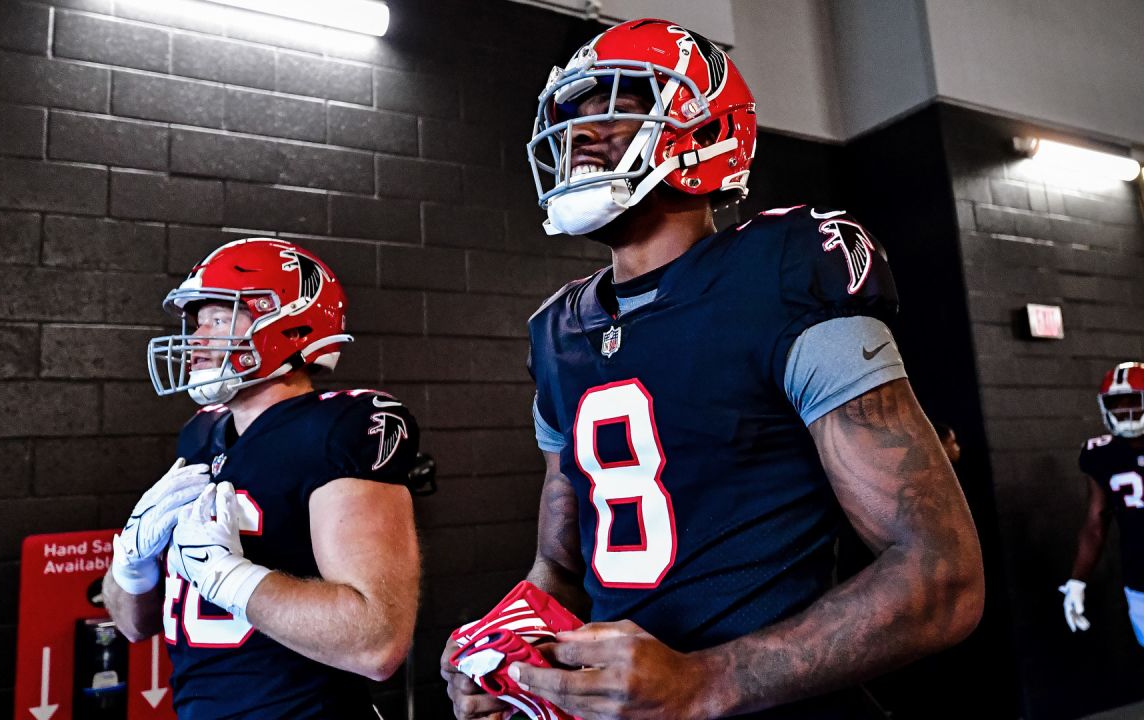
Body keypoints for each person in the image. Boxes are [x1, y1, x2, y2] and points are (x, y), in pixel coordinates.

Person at [442, 18, 984, 719]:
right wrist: (513, 654)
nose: (581, 134)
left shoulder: (782, 271)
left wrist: (707, 680)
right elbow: (563, 570)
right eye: (571, 117)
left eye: (616, 109)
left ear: (702, 134)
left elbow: (941, 575)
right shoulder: (556, 331)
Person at [102, 238, 422, 718]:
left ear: (289, 320)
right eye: (196, 322)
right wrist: (130, 560)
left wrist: (229, 577)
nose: (196, 338)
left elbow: (377, 643)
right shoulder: (201, 434)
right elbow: (131, 625)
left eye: (219, 318)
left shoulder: (338, 427)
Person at [1060, 361, 1144, 646]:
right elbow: (1096, 522)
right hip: (1139, 579)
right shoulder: (1100, 453)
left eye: (1134, 401)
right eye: (1117, 403)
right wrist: (1077, 580)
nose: (1125, 410)